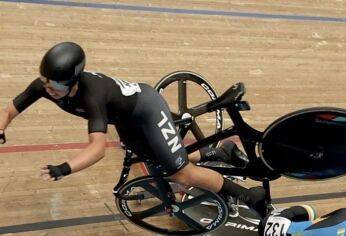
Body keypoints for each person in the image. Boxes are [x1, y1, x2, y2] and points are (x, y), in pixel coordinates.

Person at [0, 42, 267, 217]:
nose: (48, 90)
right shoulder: (45, 85)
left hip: (147, 109)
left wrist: (64, 168)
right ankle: (219, 153)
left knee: (182, 175)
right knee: (159, 163)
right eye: (46, 82)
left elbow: (97, 149)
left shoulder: (92, 95)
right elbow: (9, 110)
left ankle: (247, 195)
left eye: (55, 86)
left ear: (73, 82)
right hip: (126, 119)